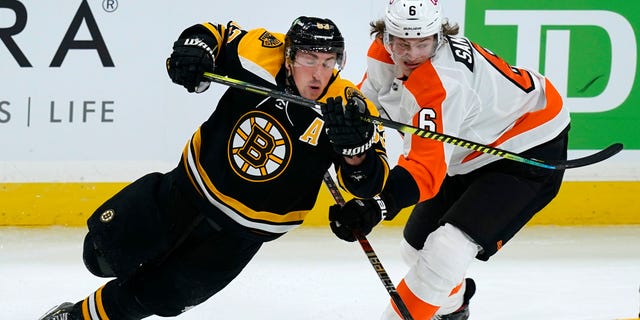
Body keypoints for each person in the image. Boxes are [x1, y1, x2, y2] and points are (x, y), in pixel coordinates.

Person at [39, 16, 389, 320]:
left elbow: (368, 181)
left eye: (329, 62)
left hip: (241, 235)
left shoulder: (348, 108)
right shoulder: (259, 53)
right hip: (186, 190)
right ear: (288, 55)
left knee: (155, 297)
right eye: (309, 58)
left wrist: (355, 152)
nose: (318, 73)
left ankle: (79, 316)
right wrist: (196, 50)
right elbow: (215, 34)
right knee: (99, 254)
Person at [326, 0, 571, 319]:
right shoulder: (382, 53)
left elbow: (425, 172)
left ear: (439, 38)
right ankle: (455, 307)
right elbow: (368, 101)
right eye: (402, 43)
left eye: (422, 44)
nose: (411, 54)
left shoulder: (443, 82)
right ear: (386, 38)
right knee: (414, 248)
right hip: (467, 148)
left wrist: (375, 206)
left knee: (446, 251)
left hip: (527, 145)